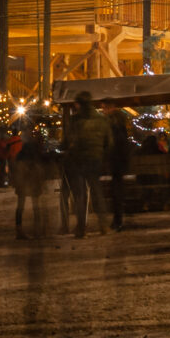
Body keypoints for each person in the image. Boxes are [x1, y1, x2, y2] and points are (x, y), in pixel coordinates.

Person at [60, 93, 113, 239]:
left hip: (77, 161)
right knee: (97, 191)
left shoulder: (75, 120)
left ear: (78, 104)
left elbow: (66, 142)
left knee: (80, 195)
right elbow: (109, 142)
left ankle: (81, 229)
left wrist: (64, 148)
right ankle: (103, 225)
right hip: (95, 160)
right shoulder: (102, 120)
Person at [105, 103, 138, 231]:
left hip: (116, 162)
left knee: (116, 192)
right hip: (120, 162)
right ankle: (117, 220)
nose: (104, 111)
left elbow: (116, 144)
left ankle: (117, 221)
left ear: (111, 108)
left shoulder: (115, 126)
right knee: (117, 192)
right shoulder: (121, 124)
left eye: (105, 108)